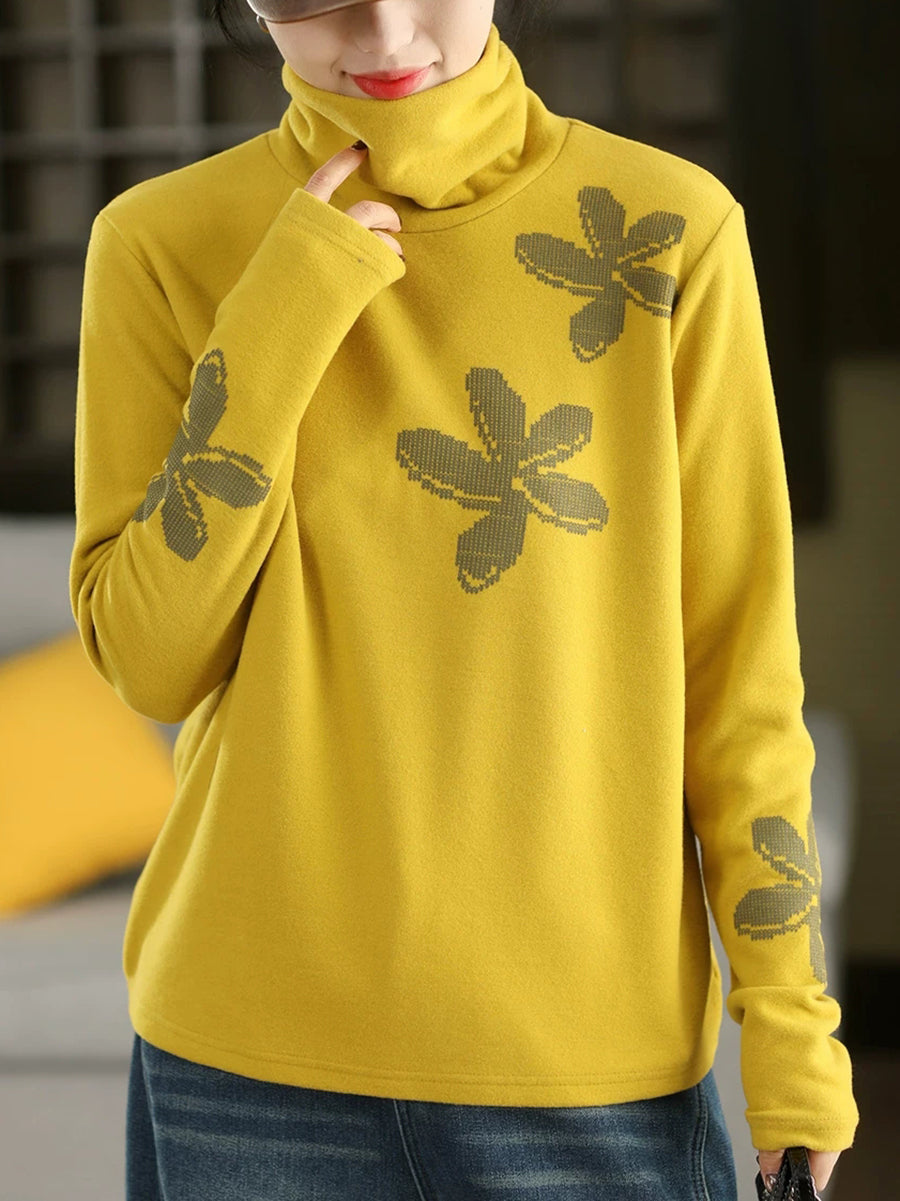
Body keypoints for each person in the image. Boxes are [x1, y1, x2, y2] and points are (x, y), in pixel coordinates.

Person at [68, 0, 858, 1197]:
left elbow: (740, 676)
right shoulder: (160, 240)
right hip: (243, 1065)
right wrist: (281, 313)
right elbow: (150, 659)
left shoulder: (666, 231)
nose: (387, 35)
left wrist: (793, 1030)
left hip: (588, 1069)